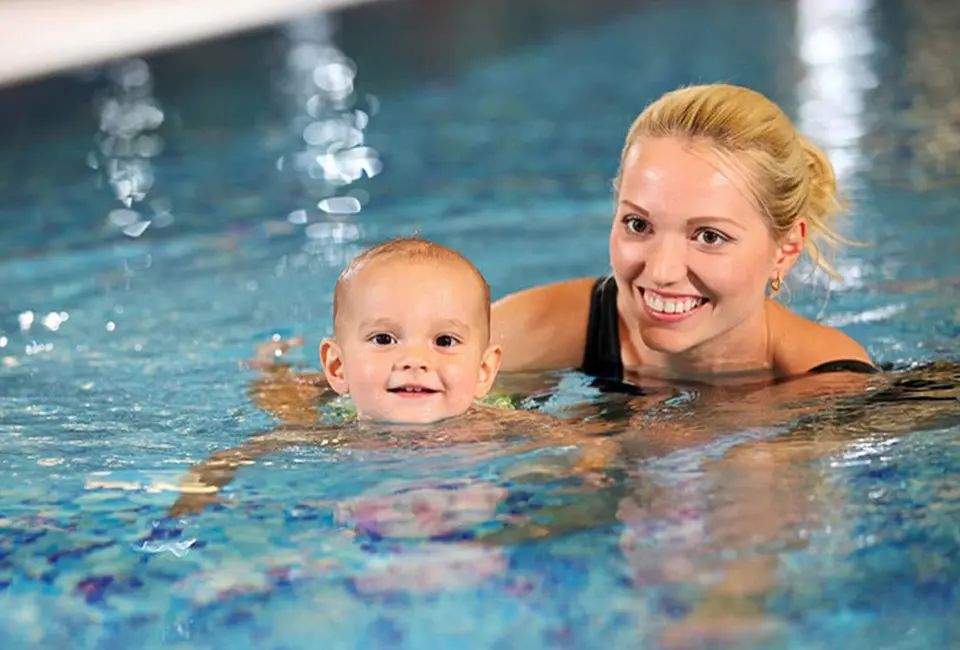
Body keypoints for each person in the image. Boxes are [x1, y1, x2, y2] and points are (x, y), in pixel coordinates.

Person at [170, 237, 619, 517]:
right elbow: (226, 460)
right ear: (338, 367)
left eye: (443, 342)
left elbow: (586, 445)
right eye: (385, 339)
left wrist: (587, 470)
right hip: (334, 407)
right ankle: (273, 366)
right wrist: (197, 498)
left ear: (484, 371)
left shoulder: (501, 424)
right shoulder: (322, 434)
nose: (414, 360)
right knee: (282, 396)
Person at [492, 83, 877, 390]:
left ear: (786, 249)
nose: (661, 271)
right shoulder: (539, 328)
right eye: (638, 225)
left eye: (709, 236)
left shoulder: (828, 384)